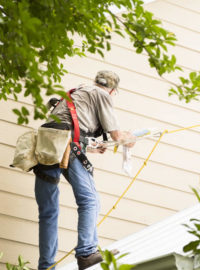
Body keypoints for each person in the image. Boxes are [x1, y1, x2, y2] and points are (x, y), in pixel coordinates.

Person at [34, 71, 136, 270]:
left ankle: (45, 266)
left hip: (46, 143)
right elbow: (116, 135)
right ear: (113, 91)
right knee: (90, 200)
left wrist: (89, 147)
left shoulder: (76, 93)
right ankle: (87, 252)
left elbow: (65, 125)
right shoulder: (102, 95)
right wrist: (128, 139)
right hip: (66, 144)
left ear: (95, 81)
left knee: (48, 212)